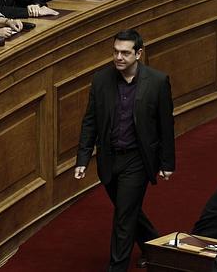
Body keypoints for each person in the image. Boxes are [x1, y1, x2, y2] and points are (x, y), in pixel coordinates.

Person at [74, 29, 174, 271]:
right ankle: (157, 249)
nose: (119, 57)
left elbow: (166, 124)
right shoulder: (100, 80)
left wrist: (167, 163)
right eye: (115, 52)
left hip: (137, 160)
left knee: (123, 217)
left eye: (125, 53)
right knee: (127, 209)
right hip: (109, 160)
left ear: (138, 54)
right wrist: (82, 159)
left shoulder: (157, 82)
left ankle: (116, 267)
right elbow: (90, 121)